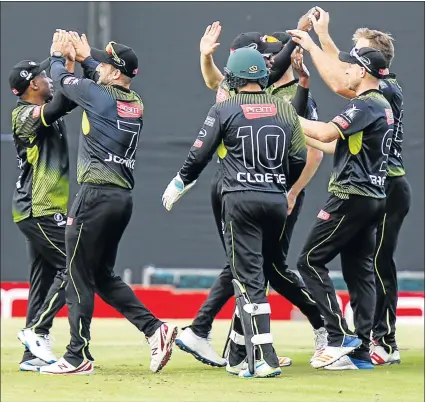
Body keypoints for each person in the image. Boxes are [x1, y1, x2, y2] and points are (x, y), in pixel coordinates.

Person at [175, 20, 327, 374]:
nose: (268, 62)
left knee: (252, 266)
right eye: (263, 56)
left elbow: (315, 150)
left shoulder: (276, 93)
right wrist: (205, 57)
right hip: (258, 188)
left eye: (269, 56)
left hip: (266, 188)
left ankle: (241, 347)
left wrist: (291, 190)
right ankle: (249, 346)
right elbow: (216, 82)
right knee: (253, 266)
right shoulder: (257, 91)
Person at [39, 30, 177, 375]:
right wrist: (87, 57)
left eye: (103, 63)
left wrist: (58, 54)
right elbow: (97, 77)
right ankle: (155, 329)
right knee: (101, 276)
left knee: (76, 274)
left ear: (115, 72)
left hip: (94, 195)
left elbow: (62, 78)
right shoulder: (135, 101)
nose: (97, 65)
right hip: (120, 199)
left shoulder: (97, 95)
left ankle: (76, 355)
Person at [298, 8, 410, 366]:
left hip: (362, 191)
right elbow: (336, 144)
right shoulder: (377, 97)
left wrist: (281, 114)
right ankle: (364, 345)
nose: (345, 64)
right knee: (360, 265)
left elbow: (336, 93)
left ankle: (356, 338)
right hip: (376, 190)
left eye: (353, 58)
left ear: (365, 68)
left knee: (318, 261)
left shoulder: (372, 98)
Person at [9, 47, 76, 371]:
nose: (50, 80)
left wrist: (76, 68)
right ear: (32, 86)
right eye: (45, 76)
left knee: (42, 280)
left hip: (43, 208)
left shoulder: (47, 107)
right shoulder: (24, 115)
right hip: (39, 209)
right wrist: (62, 63)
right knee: (75, 267)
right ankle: (37, 331)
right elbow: (65, 100)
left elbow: (76, 97)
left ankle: (31, 355)